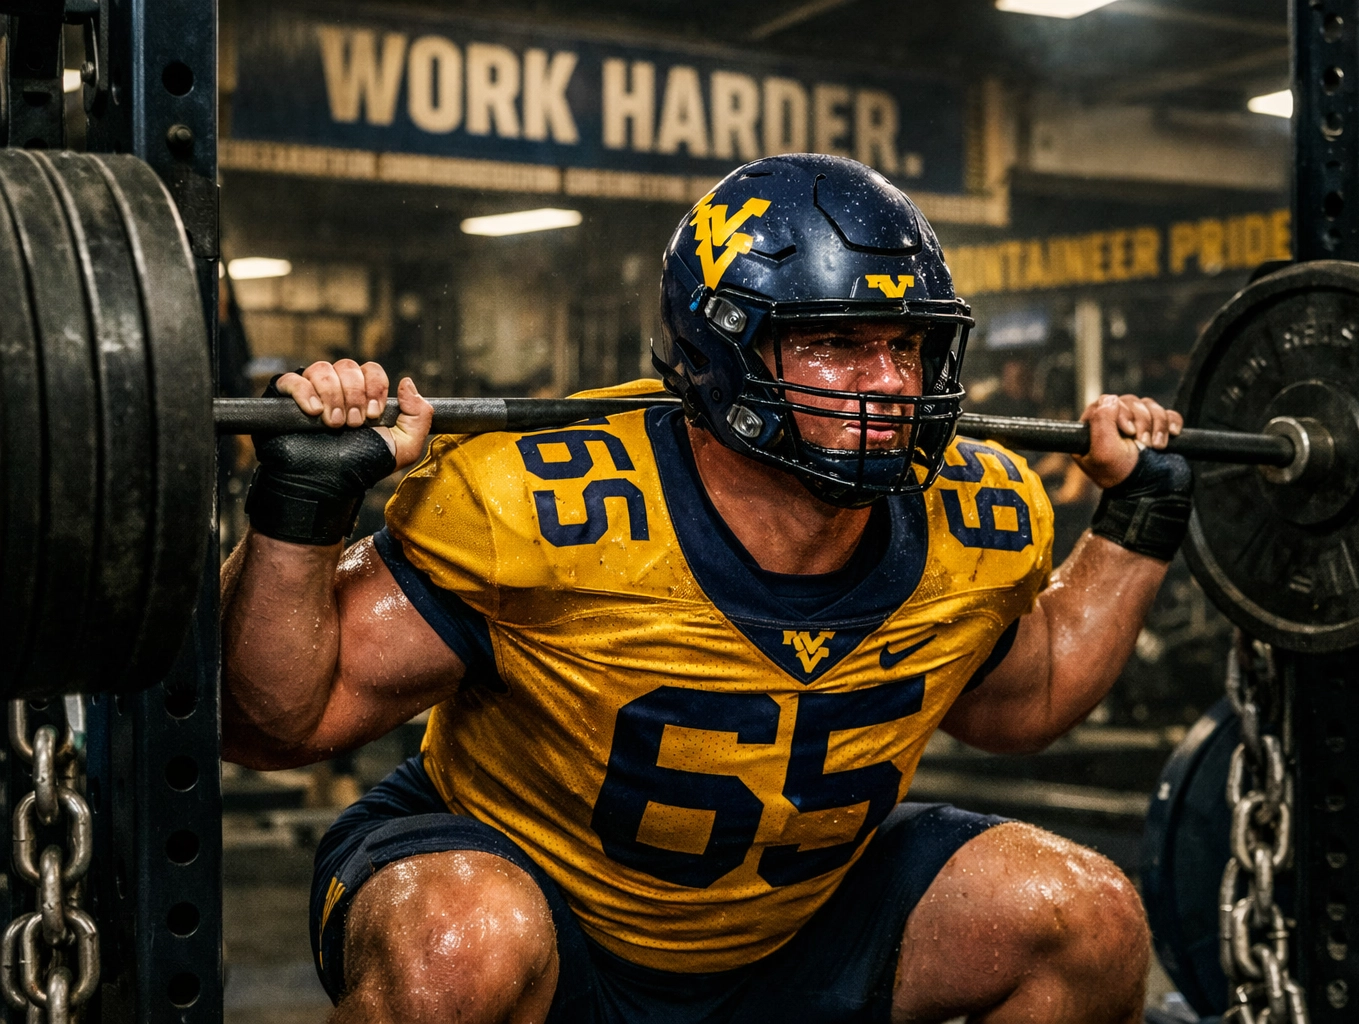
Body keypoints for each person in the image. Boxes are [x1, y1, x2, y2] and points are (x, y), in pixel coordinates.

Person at [220, 154, 1190, 1024]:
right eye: (839, 343)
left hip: (793, 935)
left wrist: (1139, 523)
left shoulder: (975, 515)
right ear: (725, 348)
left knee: (1090, 921)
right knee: (457, 946)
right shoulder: (542, 505)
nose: (891, 383)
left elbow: (1037, 693)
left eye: (907, 344)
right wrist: (297, 511)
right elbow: (275, 721)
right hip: (552, 933)